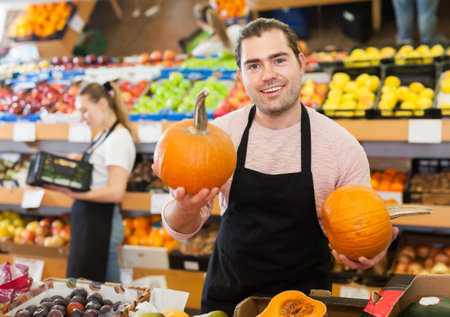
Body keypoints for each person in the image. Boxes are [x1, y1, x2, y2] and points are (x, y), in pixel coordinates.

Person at [158, 18, 399, 316]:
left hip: (303, 303)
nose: (268, 75)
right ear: (241, 75)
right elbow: (179, 230)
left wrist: (372, 250)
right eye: (254, 65)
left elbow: (362, 225)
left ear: (301, 63)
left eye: (279, 60)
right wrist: (186, 206)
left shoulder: (341, 147)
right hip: (229, 297)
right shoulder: (218, 138)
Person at [46, 81, 137, 283]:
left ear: (103, 104)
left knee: (103, 295)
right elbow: (97, 176)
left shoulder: (119, 138)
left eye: (85, 110)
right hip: (90, 222)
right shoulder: (105, 135)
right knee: (84, 289)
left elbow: (116, 191)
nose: (83, 117)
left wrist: (74, 194)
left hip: (100, 225)